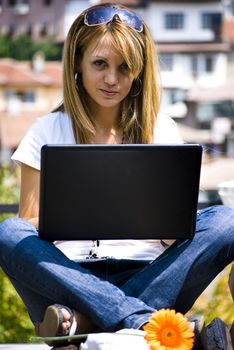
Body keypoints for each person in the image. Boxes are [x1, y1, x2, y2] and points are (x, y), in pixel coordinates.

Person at [0, 3, 233, 350]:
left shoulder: (161, 130)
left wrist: (162, 226)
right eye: (100, 64)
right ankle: (142, 321)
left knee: (225, 220)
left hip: (152, 274)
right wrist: (79, 216)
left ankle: (84, 322)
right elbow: (28, 223)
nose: (112, 79)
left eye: (125, 68)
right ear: (77, 62)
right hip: (69, 277)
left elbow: (176, 236)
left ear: (138, 71)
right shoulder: (46, 130)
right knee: (8, 233)